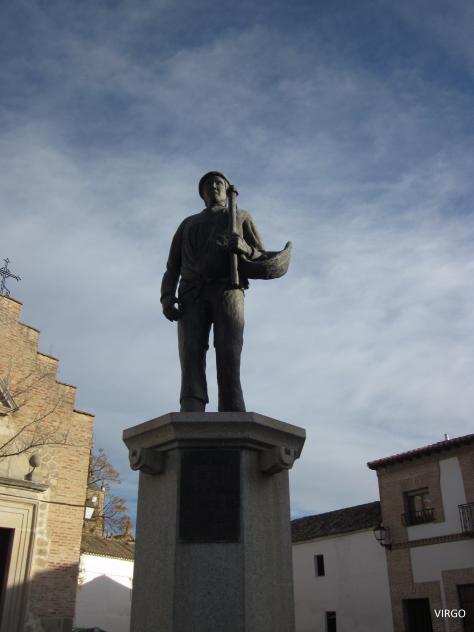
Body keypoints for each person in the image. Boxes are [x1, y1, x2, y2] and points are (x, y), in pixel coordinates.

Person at [161, 171, 290, 412]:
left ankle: (232, 405)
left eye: (218, 182)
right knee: (190, 350)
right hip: (192, 293)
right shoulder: (187, 224)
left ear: (227, 188)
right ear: (202, 194)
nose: (213, 186)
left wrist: (245, 248)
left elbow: (262, 256)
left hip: (228, 289)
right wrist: (167, 296)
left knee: (229, 349)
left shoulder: (240, 216)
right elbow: (172, 268)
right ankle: (191, 402)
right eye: (208, 184)